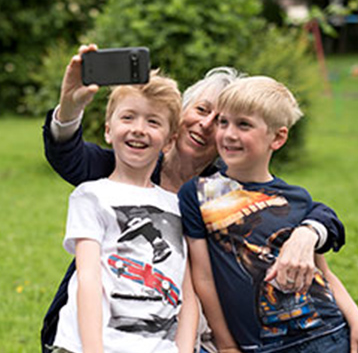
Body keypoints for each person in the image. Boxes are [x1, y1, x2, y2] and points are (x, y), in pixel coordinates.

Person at [41, 45, 344, 352]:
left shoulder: (219, 191)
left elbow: (300, 206)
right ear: (180, 115)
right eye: (201, 110)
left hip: (184, 331)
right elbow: (68, 154)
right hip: (106, 327)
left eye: (221, 120)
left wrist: (309, 232)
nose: (206, 124)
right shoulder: (129, 165)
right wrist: (69, 106)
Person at [178, 76, 358, 353]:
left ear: (277, 137)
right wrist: (226, 345)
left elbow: (323, 271)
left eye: (244, 124)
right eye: (223, 122)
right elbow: (203, 278)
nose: (228, 134)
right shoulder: (198, 193)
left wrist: (354, 319)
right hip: (261, 345)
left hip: (326, 334)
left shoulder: (297, 198)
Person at [51, 69, 199, 353]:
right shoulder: (92, 195)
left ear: (169, 142)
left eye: (153, 121)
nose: (139, 129)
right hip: (89, 345)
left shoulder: (179, 207)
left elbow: (189, 293)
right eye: (128, 117)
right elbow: (89, 279)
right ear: (108, 129)